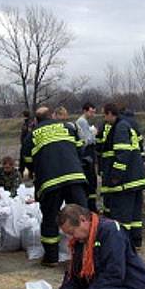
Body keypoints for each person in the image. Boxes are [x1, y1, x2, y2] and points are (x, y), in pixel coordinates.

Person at [21, 107, 87, 266]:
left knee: (50, 218)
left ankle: (51, 258)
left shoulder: (32, 135)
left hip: (50, 183)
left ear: (36, 120)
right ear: (52, 116)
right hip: (74, 178)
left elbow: (27, 163)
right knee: (81, 216)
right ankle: (86, 254)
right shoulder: (67, 127)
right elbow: (81, 150)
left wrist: (34, 172)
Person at [100, 103, 145, 248]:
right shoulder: (126, 125)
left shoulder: (120, 127)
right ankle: (136, 241)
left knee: (123, 215)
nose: (104, 118)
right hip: (135, 178)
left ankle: (123, 245)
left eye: (104, 115)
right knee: (135, 215)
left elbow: (122, 154)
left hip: (125, 181)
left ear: (110, 113)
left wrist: (116, 175)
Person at [75, 102, 99, 212]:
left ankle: (91, 205)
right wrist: (94, 134)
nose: (92, 114)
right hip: (86, 155)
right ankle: (91, 207)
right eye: (91, 112)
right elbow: (86, 140)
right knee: (90, 180)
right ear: (85, 111)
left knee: (92, 179)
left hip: (88, 155)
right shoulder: (82, 122)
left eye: (94, 112)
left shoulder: (84, 122)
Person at [19, 109, 35, 177]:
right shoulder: (26, 122)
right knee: (23, 159)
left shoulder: (29, 123)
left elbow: (29, 133)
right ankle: (22, 172)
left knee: (25, 159)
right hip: (24, 143)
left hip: (27, 144)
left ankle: (30, 173)